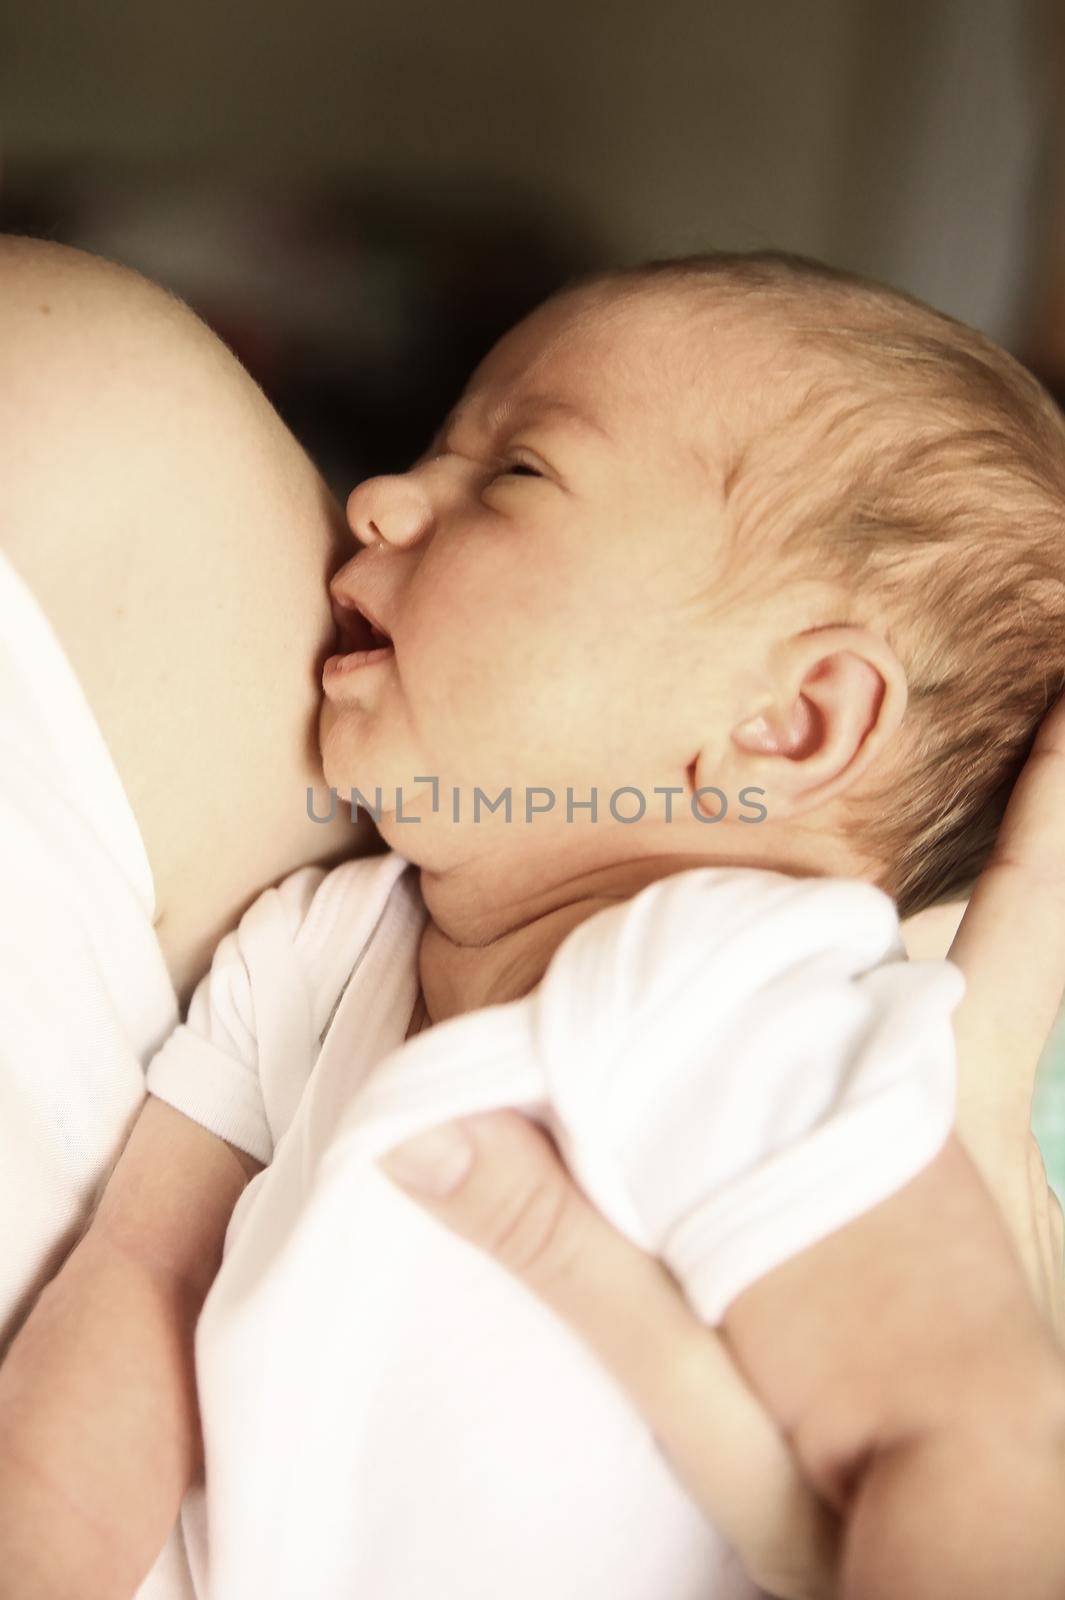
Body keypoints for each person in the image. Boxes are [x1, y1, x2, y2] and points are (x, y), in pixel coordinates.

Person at [0, 239, 1063, 1600]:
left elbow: (963, 1436)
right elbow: (138, 1286)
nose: (379, 498)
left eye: (512, 474)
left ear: (788, 723)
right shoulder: (316, 948)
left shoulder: (744, 999)